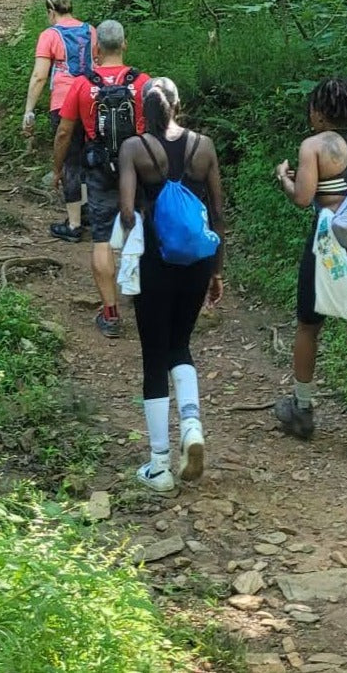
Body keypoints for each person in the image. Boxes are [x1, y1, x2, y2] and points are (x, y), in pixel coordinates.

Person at [273, 77, 347, 441]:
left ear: (321, 112)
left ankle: (302, 407)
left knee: (309, 323)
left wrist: (285, 179)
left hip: (326, 246)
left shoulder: (312, 146)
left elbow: (303, 197)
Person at [117, 77, 225, 492]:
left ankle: (159, 465)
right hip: (197, 263)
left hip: (155, 264)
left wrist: (141, 219)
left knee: (153, 353)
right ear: (178, 105)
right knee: (181, 344)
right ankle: (193, 428)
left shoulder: (134, 149)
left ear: (143, 109)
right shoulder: (205, 146)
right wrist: (216, 271)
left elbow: (127, 213)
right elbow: (217, 212)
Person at [53, 20, 150, 337]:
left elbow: (65, 132)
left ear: (96, 50)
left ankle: (110, 314)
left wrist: (59, 169)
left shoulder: (82, 84)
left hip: (100, 171)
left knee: (102, 239)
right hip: (140, 169)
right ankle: (150, 302)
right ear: (124, 45)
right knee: (149, 232)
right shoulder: (144, 82)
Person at [21, 0, 97, 241]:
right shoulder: (91, 31)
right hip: (92, 100)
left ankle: (74, 225)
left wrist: (29, 109)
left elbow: (40, 75)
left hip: (64, 102)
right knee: (89, 157)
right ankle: (86, 210)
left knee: (69, 160)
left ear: (51, 12)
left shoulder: (50, 35)